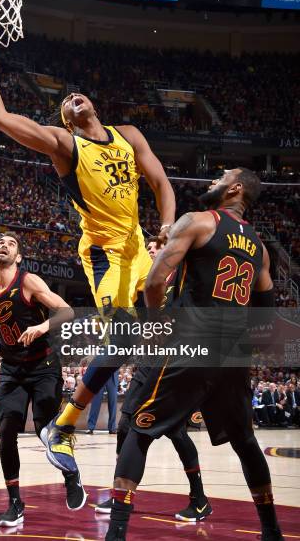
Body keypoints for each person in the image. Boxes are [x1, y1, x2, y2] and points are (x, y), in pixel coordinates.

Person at [0, 38, 175, 475]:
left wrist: (166, 229)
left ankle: (167, 405)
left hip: (140, 246)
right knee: (121, 337)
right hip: (105, 254)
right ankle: (63, 426)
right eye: (65, 103)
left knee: (170, 326)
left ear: (93, 105)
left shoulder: (129, 136)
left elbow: (162, 184)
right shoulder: (66, 146)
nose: (71, 98)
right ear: (66, 120)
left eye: (76, 95)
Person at [105, 168, 283, 541]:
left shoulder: (199, 221)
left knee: (137, 427)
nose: (212, 180)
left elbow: (154, 281)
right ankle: (271, 532)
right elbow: (267, 312)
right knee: (245, 441)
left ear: (234, 189)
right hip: (232, 354)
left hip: (192, 341)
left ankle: (116, 533)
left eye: (221, 176)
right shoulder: (261, 248)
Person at [0, 231, 83, 528]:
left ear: (18, 256)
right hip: (11, 369)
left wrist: (43, 326)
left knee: (47, 431)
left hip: (43, 365)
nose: (3, 245)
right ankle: (15, 503)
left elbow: (67, 311)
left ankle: (71, 476)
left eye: (11, 243)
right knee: (7, 430)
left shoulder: (28, 281)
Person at [96, 238, 211, 522]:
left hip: (174, 363)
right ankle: (121, 494)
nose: (150, 249)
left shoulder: (181, 276)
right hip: (146, 363)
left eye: (156, 245)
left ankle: (199, 499)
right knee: (125, 426)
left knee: (175, 432)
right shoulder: (146, 282)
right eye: (147, 247)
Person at [87, 371, 119, 435]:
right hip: (100, 374)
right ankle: (91, 427)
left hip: (112, 375)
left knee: (113, 403)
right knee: (96, 402)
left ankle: (112, 428)